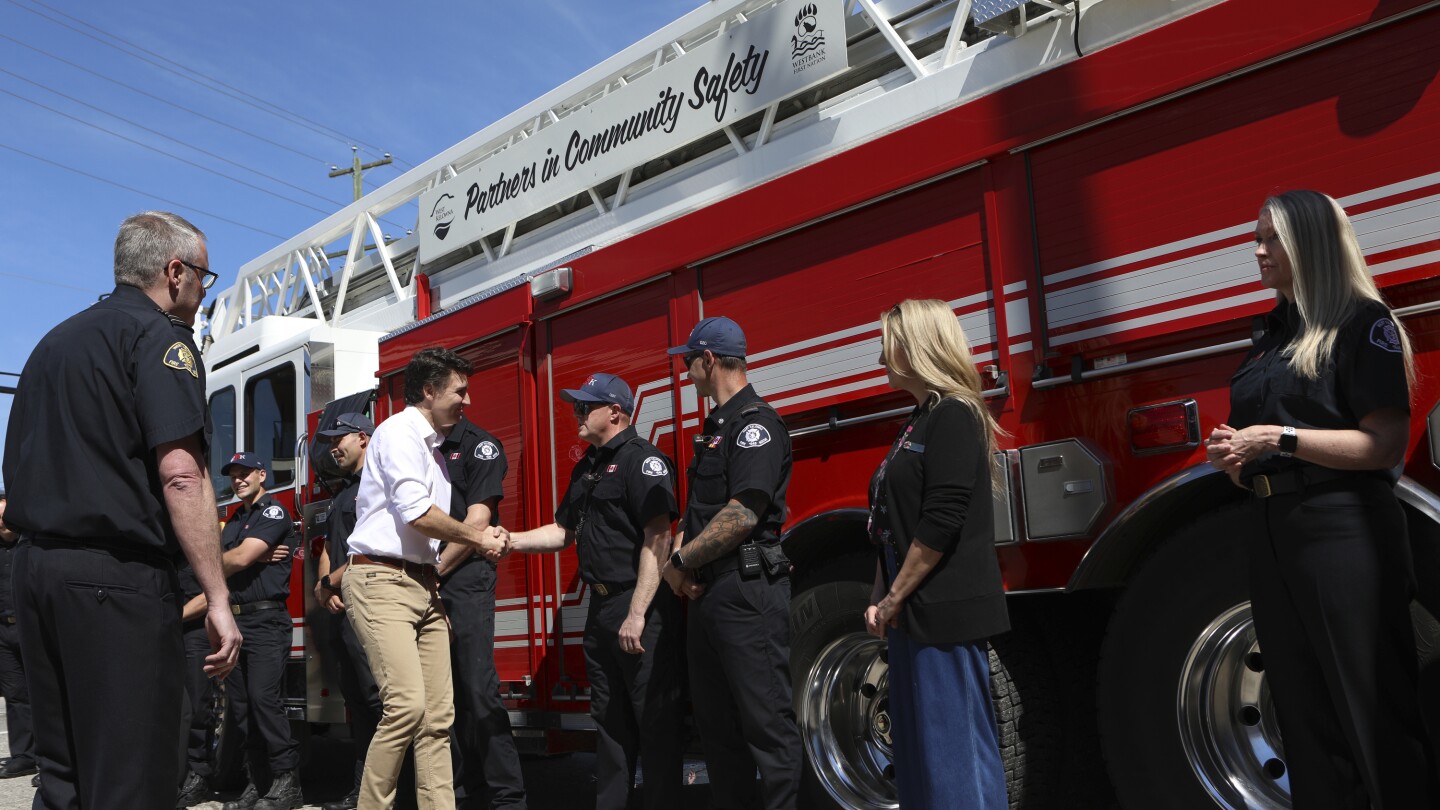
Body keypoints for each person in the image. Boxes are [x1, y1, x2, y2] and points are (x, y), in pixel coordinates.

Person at [1, 210, 242, 810]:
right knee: (131, 776)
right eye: (203, 278)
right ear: (175, 270)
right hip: (113, 581)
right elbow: (183, 474)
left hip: (36, 576)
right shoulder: (160, 338)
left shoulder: (53, 343)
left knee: (63, 778)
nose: (200, 294)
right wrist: (216, 597)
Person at [1206, 189, 1435, 808]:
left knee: (1371, 713)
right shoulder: (1268, 338)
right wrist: (1235, 458)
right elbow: (1261, 453)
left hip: (1343, 530)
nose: (1256, 252)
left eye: (1270, 238)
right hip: (1274, 527)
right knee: (1304, 717)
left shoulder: (1365, 322)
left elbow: (1384, 444)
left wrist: (1281, 436)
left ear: (1310, 242)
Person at [342, 347, 508, 810]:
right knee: (407, 708)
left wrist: (434, 584)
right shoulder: (398, 433)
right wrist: (477, 539)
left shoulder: (433, 451)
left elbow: (428, 531)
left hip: (421, 585)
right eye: (460, 390)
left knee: (438, 717)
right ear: (430, 391)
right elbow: (418, 514)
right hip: (380, 581)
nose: (467, 400)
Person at [509, 373, 683, 810]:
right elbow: (563, 531)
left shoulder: (643, 462)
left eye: (586, 407)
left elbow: (658, 538)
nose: (577, 414)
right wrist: (508, 540)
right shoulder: (587, 466)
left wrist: (638, 613)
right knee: (608, 724)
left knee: (655, 725)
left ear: (615, 412)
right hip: (601, 608)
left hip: (637, 605)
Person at [863, 299, 1010, 809]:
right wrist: (884, 593)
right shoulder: (920, 418)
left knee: (954, 757)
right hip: (911, 614)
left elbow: (941, 519)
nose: (880, 356)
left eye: (888, 342)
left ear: (916, 346)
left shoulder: (954, 414)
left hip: (942, 613)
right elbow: (893, 523)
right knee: (922, 755)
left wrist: (894, 596)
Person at [655, 317, 802, 809]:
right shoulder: (716, 428)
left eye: (688, 362)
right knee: (718, 735)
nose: (686, 372)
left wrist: (677, 560)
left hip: (746, 592)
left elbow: (741, 515)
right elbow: (700, 511)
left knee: (768, 728)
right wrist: (682, 560)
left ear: (709, 360)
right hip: (710, 597)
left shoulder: (755, 425)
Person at [180, 452, 301, 810]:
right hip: (237, 619)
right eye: (233, 475)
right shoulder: (234, 521)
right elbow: (229, 561)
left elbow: (236, 560)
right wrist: (237, 557)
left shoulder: (273, 512)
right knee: (243, 707)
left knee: (265, 700)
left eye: (245, 473)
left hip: (266, 621)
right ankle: (260, 782)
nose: (238, 480)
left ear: (262, 474)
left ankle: (287, 782)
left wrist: (241, 557)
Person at [436, 414, 527, 810]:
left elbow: (478, 521)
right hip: (426, 579)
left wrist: (433, 573)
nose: (466, 399)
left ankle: (508, 799)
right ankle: (465, 793)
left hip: (464, 574)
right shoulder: (420, 446)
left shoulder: (478, 445)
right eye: (458, 390)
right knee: (444, 693)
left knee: (477, 686)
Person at [313, 413, 384, 810]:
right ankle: (363, 794)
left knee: (379, 702)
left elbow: (372, 548)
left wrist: (331, 583)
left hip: (371, 607)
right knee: (358, 704)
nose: (332, 448)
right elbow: (328, 547)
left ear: (363, 437)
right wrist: (323, 586)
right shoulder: (344, 491)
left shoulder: (379, 483)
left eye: (338, 439)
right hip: (342, 612)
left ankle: (390, 793)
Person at [0, 495, 36, 782]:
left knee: (45, 694)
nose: (1, 521)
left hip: (31, 628)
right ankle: (24, 756)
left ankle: (52, 758)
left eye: (5, 514)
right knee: (15, 696)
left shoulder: (31, 546)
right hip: (3, 631)